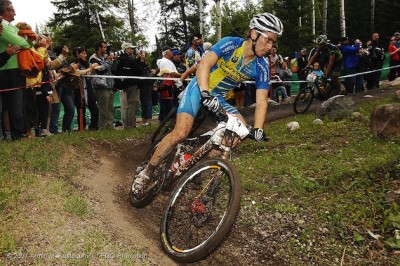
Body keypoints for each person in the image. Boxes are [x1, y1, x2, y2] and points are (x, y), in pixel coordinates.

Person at [132, 12, 283, 196]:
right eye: (268, 40)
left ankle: (193, 160)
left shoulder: (261, 66)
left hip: (218, 96)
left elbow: (261, 101)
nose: (270, 46)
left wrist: (258, 128)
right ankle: (146, 172)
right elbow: (204, 65)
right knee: (180, 133)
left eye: (273, 43)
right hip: (200, 87)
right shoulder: (231, 44)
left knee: (240, 132)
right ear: (254, 34)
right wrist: (204, 92)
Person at [0, 0, 34, 140]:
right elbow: (23, 43)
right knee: (13, 105)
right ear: (5, 12)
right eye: (13, 10)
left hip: (16, 69)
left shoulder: (11, 27)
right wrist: (30, 40)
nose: (15, 13)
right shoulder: (3, 26)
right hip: (8, 70)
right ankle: (17, 135)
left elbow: (26, 42)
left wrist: (28, 40)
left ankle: (17, 134)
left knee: (18, 105)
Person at [116, 41, 143, 129]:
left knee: (124, 106)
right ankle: (131, 125)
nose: (132, 50)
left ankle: (126, 125)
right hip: (132, 84)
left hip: (121, 85)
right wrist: (140, 61)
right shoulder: (130, 60)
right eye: (131, 48)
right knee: (132, 104)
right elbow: (139, 70)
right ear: (127, 49)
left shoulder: (119, 60)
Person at [89, 40, 115, 130]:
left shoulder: (105, 57)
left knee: (110, 108)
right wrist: (108, 62)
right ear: (99, 48)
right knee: (103, 109)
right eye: (104, 47)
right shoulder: (93, 59)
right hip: (101, 87)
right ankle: (102, 127)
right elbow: (100, 70)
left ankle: (110, 126)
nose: (106, 48)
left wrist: (112, 61)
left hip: (109, 85)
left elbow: (112, 69)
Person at [73, 46, 99, 130]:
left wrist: (92, 69)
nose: (85, 55)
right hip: (79, 92)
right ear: (77, 54)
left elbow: (89, 75)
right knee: (81, 112)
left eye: (85, 53)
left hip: (88, 91)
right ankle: (81, 128)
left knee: (95, 110)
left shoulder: (86, 64)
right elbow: (77, 73)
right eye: (83, 53)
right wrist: (89, 69)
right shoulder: (74, 64)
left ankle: (93, 127)